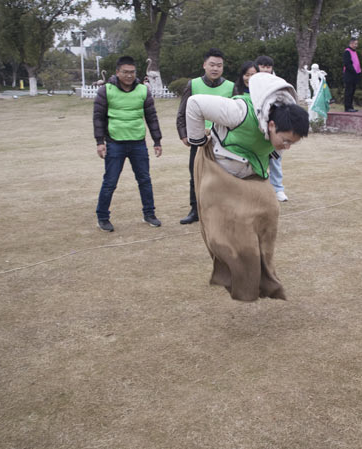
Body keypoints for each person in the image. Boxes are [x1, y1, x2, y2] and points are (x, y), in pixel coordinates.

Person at [185, 72, 309, 301]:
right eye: (286, 141)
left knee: (270, 211)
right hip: (219, 171)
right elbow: (195, 103)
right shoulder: (239, 112)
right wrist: (197, 140)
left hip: (251, 173)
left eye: (292, 143)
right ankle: (230, 273)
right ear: (271, 125)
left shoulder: (281, 121)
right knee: (224, 232)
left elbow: (271, 148)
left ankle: (265, 276)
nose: (287, 147)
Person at [93, 56, 163, 231]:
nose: (129, 76)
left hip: (138, 143)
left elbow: (151, 117)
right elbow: (98, 118)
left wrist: (157, 140)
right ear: (117, 72)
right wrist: (99, 142)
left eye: (132, 72)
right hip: (114, 143)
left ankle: (149, 214)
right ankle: (102, 217)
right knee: (110, 182)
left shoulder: (142, 90)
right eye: (125, 72)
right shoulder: (106, 90)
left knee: (145, 180)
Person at [176, 48, 234, 224]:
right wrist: (184, 134)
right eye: (212, 65)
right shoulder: (193, 84)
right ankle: (195, 210)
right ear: (204, 65)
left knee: (224, 175)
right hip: (198, 138)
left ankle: (222, 210)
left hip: (222, 139)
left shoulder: (231, 87)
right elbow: (182, 111)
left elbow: (236, 112)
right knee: (196, 174)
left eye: (219, 65)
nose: (215, 68)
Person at [254, 56, 289, 202]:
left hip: (275, 127)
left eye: (268, 67)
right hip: (257, 127)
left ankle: (278, 188)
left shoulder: (279, 83)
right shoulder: (252, 83)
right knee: (256, 159)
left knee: (275, 159)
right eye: (262, 66)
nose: (265, 69)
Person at [342, 37, 361, 112]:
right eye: (355, 44)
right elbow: (347, 63)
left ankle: (351, 106)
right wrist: (353, 71)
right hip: (349, 74)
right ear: (351, 43)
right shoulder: (347, 51)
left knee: (352, 91)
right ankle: (347, 107)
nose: (356, 45)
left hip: (355, 75)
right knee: (348, 91)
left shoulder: (354, 51)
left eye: (357, 44)